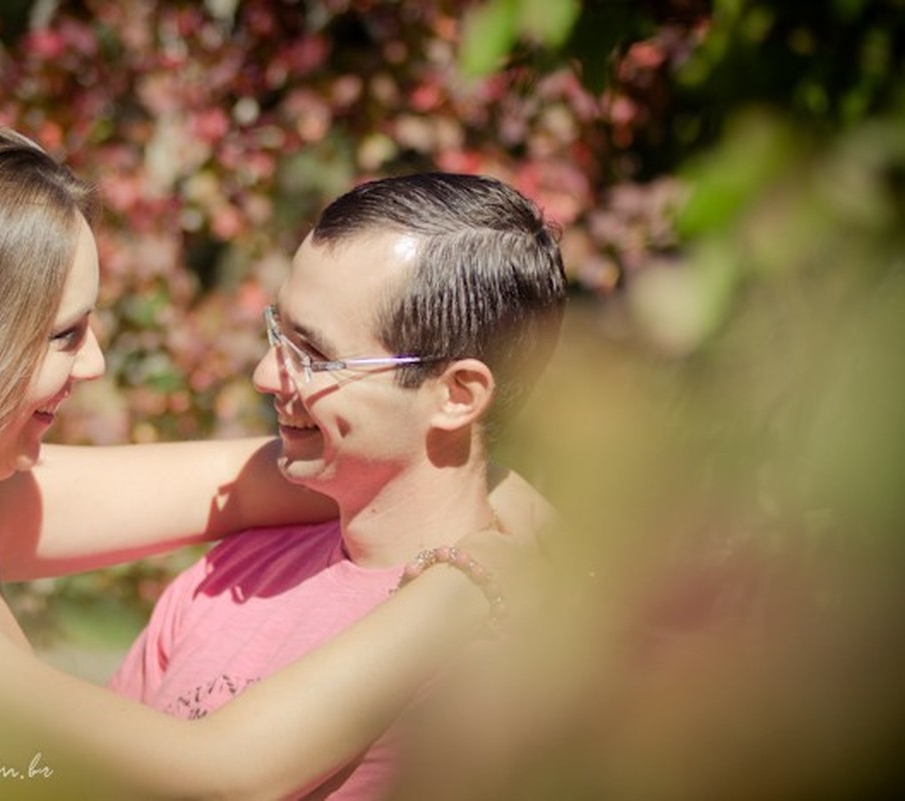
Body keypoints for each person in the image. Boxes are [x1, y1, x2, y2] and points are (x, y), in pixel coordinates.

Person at [0, 113, 522, 801]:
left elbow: (244, 487)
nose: (95, 366)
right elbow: (223, 772)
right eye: (64, 335)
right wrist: (472, 575)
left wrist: (513, 488)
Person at [107, 173, 567, 798]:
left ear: (457, 395)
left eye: (313, 355)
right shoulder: (233, 573)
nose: (267, 374)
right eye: (279, 332)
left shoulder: (518, 670)